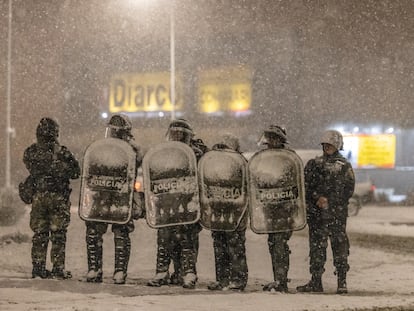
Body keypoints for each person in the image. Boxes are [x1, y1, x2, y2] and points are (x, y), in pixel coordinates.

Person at [85, 114, 143, 284]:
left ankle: (118, 271)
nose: (114, 134)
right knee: (95, 232)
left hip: (120, 197)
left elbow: (138, 163)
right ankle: (95, 269)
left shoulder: (131, 150)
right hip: (102, 196)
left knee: (121, 233)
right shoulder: (101, 148)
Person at [147, 118, 205, 289]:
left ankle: (188, 273)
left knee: (187, 241)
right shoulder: (163, 153)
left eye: (181, 134)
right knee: (165, 239)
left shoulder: (196, 153)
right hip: (168, 204)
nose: (177, 137)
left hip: (188, 204)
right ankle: (162, 272)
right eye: (174, 133)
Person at [296, 130, 355, 294]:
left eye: (331, 144)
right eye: (325, 144)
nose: (327, 147)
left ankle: (342, 282)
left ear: (338, 146)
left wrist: (329, 200)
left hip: (336, 214)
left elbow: (348, 190)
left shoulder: (344, 167)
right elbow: (305, 186)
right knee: (316, 249)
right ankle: (316, 281)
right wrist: (317, 198)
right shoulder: (313, 164)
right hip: (317, 215)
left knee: (340, 247)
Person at [23, 117, 80, 279]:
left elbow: (29, 164)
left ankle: (38, 267)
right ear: (55, 133)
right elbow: (76, 172)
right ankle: (58, 268)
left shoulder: (31, 152)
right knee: (58, 234)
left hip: (39, 196)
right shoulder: (62, 152)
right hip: (58, 197)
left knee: (40, 233)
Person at [207, 134, 249, 291]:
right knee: (219, 245)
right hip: (219, 211)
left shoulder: (240, 164)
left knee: (235, 245)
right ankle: (222, 279)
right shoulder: (214, 165)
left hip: (235, 213)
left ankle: (238, 279)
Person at [257, 125, 296, 292]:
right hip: (270, 209)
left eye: (275, 138)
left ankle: (281, 280)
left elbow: (294, 183)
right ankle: (278, 278)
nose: (272, 141)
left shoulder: (289, 159)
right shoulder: (262, 159)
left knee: (279, 244)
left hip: (284, 209)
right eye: (270, 137)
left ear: (281, 139)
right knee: (273, 243)